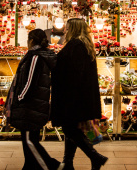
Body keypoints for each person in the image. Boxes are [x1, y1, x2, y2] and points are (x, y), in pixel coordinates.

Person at [51, 18, 108, 170]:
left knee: (69, 128)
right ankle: (68, 162)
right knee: (72, 128)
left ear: (74, 29)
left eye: (67, 28)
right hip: (83, 96)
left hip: (73, 96)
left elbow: (73, 72)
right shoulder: (85, 45)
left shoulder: (76, 45)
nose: (65, 30)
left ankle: (95, 157)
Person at [6, 29, 62, 170]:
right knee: (29, 140)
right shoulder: (39, 55)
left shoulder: (35, 57)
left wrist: (20, 97)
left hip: (30, 106)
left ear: (31, 40)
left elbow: (30, 82)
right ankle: (29, 166)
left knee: (30, 141)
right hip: (34, 105)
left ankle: (52, 166)